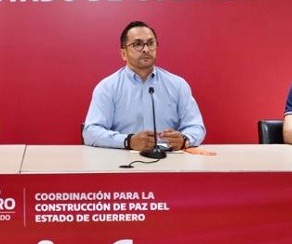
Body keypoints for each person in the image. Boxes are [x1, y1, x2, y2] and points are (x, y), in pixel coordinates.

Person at [83, 21, 206, 151]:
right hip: (124, 158)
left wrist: (185, 140)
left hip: (169, 157)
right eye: (137, 44)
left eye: (151, 43)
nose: (146, 49)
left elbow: (196, 127)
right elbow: (90, 132)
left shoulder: (177, 85)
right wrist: (128, 141)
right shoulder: (108, 87)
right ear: (123, 54)